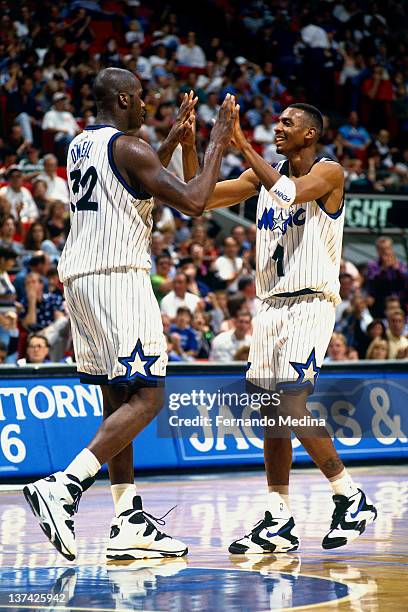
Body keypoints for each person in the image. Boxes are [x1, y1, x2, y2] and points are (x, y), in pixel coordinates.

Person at [23, 67, 237, 562]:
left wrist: (166, 144)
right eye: (140, 98)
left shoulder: (82, 146)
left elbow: (132, 185)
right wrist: (217, 141)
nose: (146, 105)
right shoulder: (129, 148)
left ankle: (128, 521)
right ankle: (64, 487)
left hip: (80, 277)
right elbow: (194, 202)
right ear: (123, 99)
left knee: (119, 396)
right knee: (149, 396)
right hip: (119, 277)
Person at [206, 102, 377, 553]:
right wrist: (199, 146)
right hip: (269, 306)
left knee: (289, 399)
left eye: (288, 123)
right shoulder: (260, 177)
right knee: (270, 412)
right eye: (277, 122)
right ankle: (278, 518)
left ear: (310, 135)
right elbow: (200, 199)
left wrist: (240, 142)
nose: (278, 128)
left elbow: (289, 193)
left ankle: (349, 495)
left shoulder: (330, 173)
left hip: (310, 302)